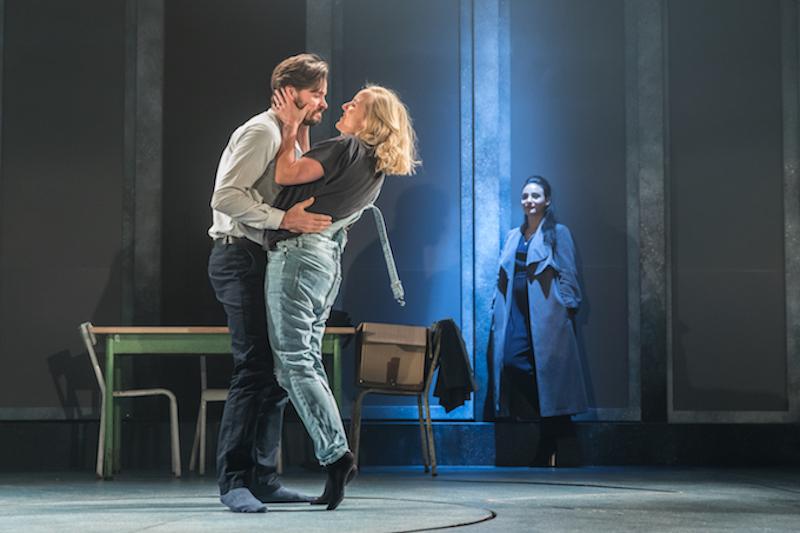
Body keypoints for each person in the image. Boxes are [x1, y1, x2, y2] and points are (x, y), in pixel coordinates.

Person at [265, 84, 419, 510]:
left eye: (357, 104)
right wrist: (301, 131)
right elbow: (312, 172)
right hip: (323, 262)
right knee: (306, 360)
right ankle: (336, 453)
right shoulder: (372, 167)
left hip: (298, 259)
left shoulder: (345, 147)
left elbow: (286, 174)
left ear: (372, 121)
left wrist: (290, 126)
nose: (346, 105)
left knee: (294, 363)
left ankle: (335, 456)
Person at [207, 53, 333, 513]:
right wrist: (283, 219)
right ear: (290, 93)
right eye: (316, 94)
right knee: (254, 367)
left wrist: (298, 130)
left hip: (264, 258)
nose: (324, 102)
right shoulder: (262, 131)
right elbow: (225, 196)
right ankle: (234, 481)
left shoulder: (288, 136)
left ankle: (263, 478)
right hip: (239, 256)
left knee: (278, 372)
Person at [490, 175, 588, 466]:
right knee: (512, 362)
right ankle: (556, 428)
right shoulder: (513, 235)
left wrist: (568, 308)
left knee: (549, 373)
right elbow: (501, 275)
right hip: (516, 312)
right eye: (525, 196)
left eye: (535, 196)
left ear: (547, 200)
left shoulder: (558, 233)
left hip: (548, 315)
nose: (529, 201)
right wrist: (496, 306)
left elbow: (568, 273)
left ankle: (548, 441)